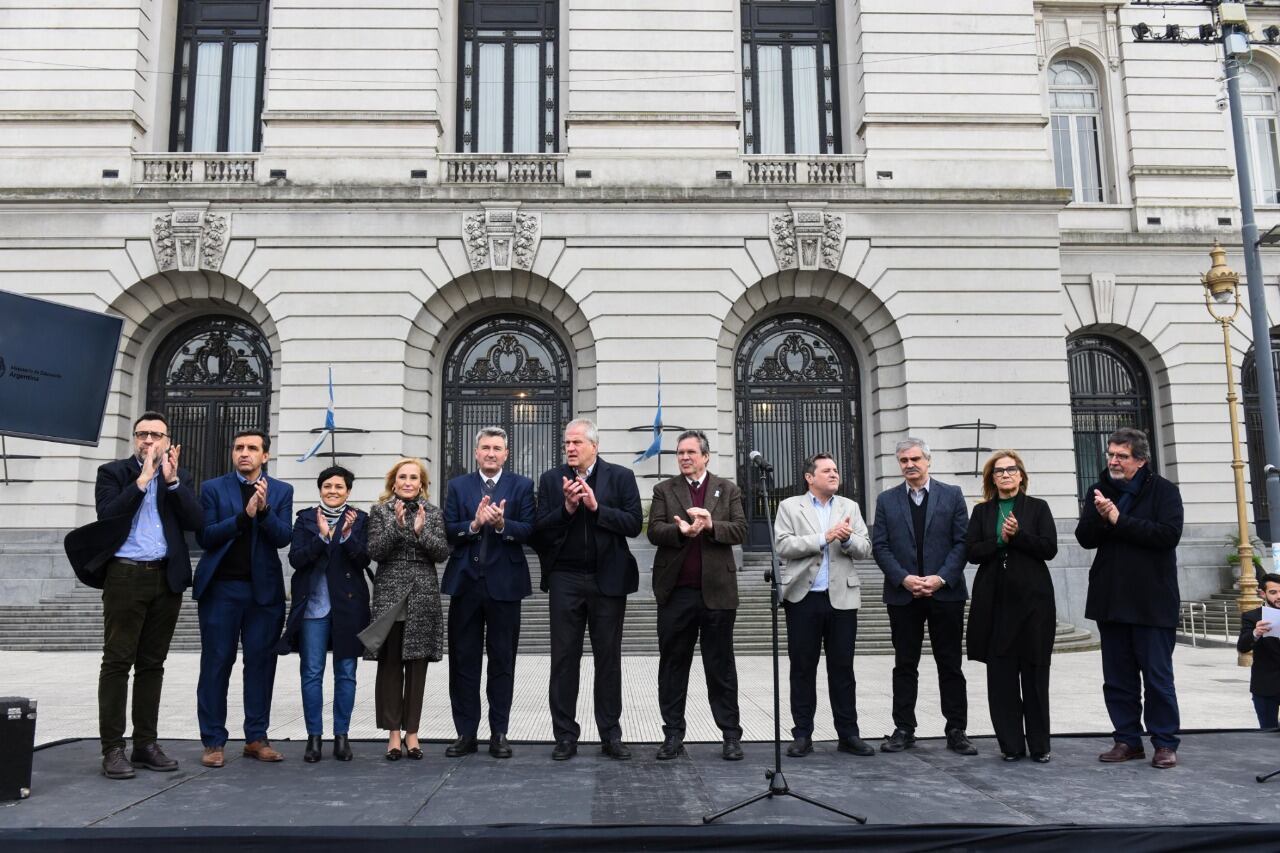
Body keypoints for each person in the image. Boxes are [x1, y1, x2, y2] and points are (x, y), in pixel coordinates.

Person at [87, 411, 202, 779]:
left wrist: (170, 483)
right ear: (134, 439)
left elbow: (196, 522)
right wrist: (142, 481)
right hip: (125, 575)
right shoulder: (114, 473)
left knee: (153, 664)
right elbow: (107, 514)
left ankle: (145, 744)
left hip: (165, 578)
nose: (149, 440)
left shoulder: (177, 478)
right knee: (118, 662)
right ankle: (113, 749)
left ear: (168, 441)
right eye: (142, 434)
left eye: (156, 435)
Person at [534, 418, 642, 760]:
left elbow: (634, 524)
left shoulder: (620, 476)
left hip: (607, 579)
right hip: (565, 579)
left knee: (608, 660)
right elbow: (538, 531)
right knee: (564, 660)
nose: (570, 448)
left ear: (594, 446)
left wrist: (597, 509)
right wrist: (566, 509)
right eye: (567, 443)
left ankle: (610, 734)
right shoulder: (552, 480)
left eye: (577, 443)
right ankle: (565, 735)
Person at [1076, 427, 1183, 770]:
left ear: (1140, 459)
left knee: (1157, 679)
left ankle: (1164, 743)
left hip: (1152, 602)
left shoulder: (1164, 491)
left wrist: (1119, 519)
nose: (1113, 461)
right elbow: (1084, 538)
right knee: (1118, 679)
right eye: (1110, 454)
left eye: (1121, 456)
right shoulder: (1099, 490)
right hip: (1112, 600)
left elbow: (1167, 536)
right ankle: (1127, 739)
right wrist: (1101, 517)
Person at [193, 429, 294, 768]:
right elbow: (205, 536)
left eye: (252, 448)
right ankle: (213, 741)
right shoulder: (212, 489)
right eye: (239, 448)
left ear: (265, 455)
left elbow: (283, 538)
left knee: (261, 666)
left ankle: (256, 737)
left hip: (263, 594)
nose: (244, 453)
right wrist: (243, 517)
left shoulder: (280, 491)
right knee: (216, 664)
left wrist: (264, 513)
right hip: (222, 590)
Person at [646, 430, 748, 761]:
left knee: (721, 667)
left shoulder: (727, 488)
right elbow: (654, 531)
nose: (685, 457)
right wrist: (681, 530)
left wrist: (709, 525)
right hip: (676, 594)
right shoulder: (665, 489)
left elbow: (740, 530)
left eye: (691, 452)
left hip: (717, 594)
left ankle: (731, 735)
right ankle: (673, 734)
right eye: (680, 453)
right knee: (673, 666)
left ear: (705, 456)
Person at [872, 437, 975, 755]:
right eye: (903, 460)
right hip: (904, 596)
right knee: (904, 664)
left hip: (945, 594)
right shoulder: (887, 500)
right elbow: (881, 545)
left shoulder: (952, 495)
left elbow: (962, 543)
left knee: (950, 664)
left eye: (915, 459)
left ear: (928, 461)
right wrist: (903, 579)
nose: (909, 465)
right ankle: (904, 728)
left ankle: (956, 729)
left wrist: (941, 578)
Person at [440, 427, 535, 759]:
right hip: (465, 586)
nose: (491, 453)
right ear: (476, 452)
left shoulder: (522, 486)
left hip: (505, 587)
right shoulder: (458, 486)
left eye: (497, 448)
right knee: (463, 664)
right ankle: (466, 733)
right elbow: (449, 530)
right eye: (485, 448)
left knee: (502, 663)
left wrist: (500, 525)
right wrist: (475, 524)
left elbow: (529, 529)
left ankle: (499, 733)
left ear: (506, 454)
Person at [774, 453, 874, 758]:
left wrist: (845, 540)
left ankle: (849, 734)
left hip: (842, 600)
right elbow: (782, 546)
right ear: (809, 477)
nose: (834, 474)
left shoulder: (850, 507)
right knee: (802, 669)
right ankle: (802, 734)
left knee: (842, 669)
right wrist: (823, 536)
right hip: (803, 599)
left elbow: (865, 548)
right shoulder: (790, 507)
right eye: (826, 470)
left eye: (836, 470)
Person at [965, 451, 1058, 763]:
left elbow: (1049, 548)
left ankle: (1040, 745)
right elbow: (973, 552)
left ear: (1021, 476)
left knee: (1034, 675)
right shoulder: (982, 512)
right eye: (999, 471)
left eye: (1011, 470)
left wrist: (1017, 536)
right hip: (994, 603)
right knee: (1001, 678)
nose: (1005, 475)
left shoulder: (1038, 508)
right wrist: (1001, 541)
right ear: (992, 479)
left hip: (1033, 603)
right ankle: (1011, 745)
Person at [277, 465, 370, 763]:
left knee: (346, 674)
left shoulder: (360, 519)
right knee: (312, 673)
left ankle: (341, 736)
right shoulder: (305, 518)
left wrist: (344, 537)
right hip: (313, 608)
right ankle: (314, 738)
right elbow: (296, 559)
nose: (333, 491)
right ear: (320, 489)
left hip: (348, 607)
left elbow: (365, 559)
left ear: (348, 491)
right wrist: (320, 537)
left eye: (339, 487)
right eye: (327, 486)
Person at [360, 458, 450, 761]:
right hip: (390, 595)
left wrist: (422, 532)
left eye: (414, 477)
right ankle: (393, 735)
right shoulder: (379, 512)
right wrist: (398, 528)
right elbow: (374, 551)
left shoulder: (434, 513)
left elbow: (441, 552)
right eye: (403, 477)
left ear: (422, 483)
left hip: (422, 594)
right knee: (389, 667)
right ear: (393, 483)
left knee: (416, 668)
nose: (408, 482)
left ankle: (412, 733)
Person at [1238, 573, 1280, 730]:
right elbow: (1242, 647)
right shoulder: (1252, 616)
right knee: (1268, 733)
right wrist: (1256, 633)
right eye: (1273, 592)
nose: (1279, 596)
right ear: (1263, 593)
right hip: (1265, 686)